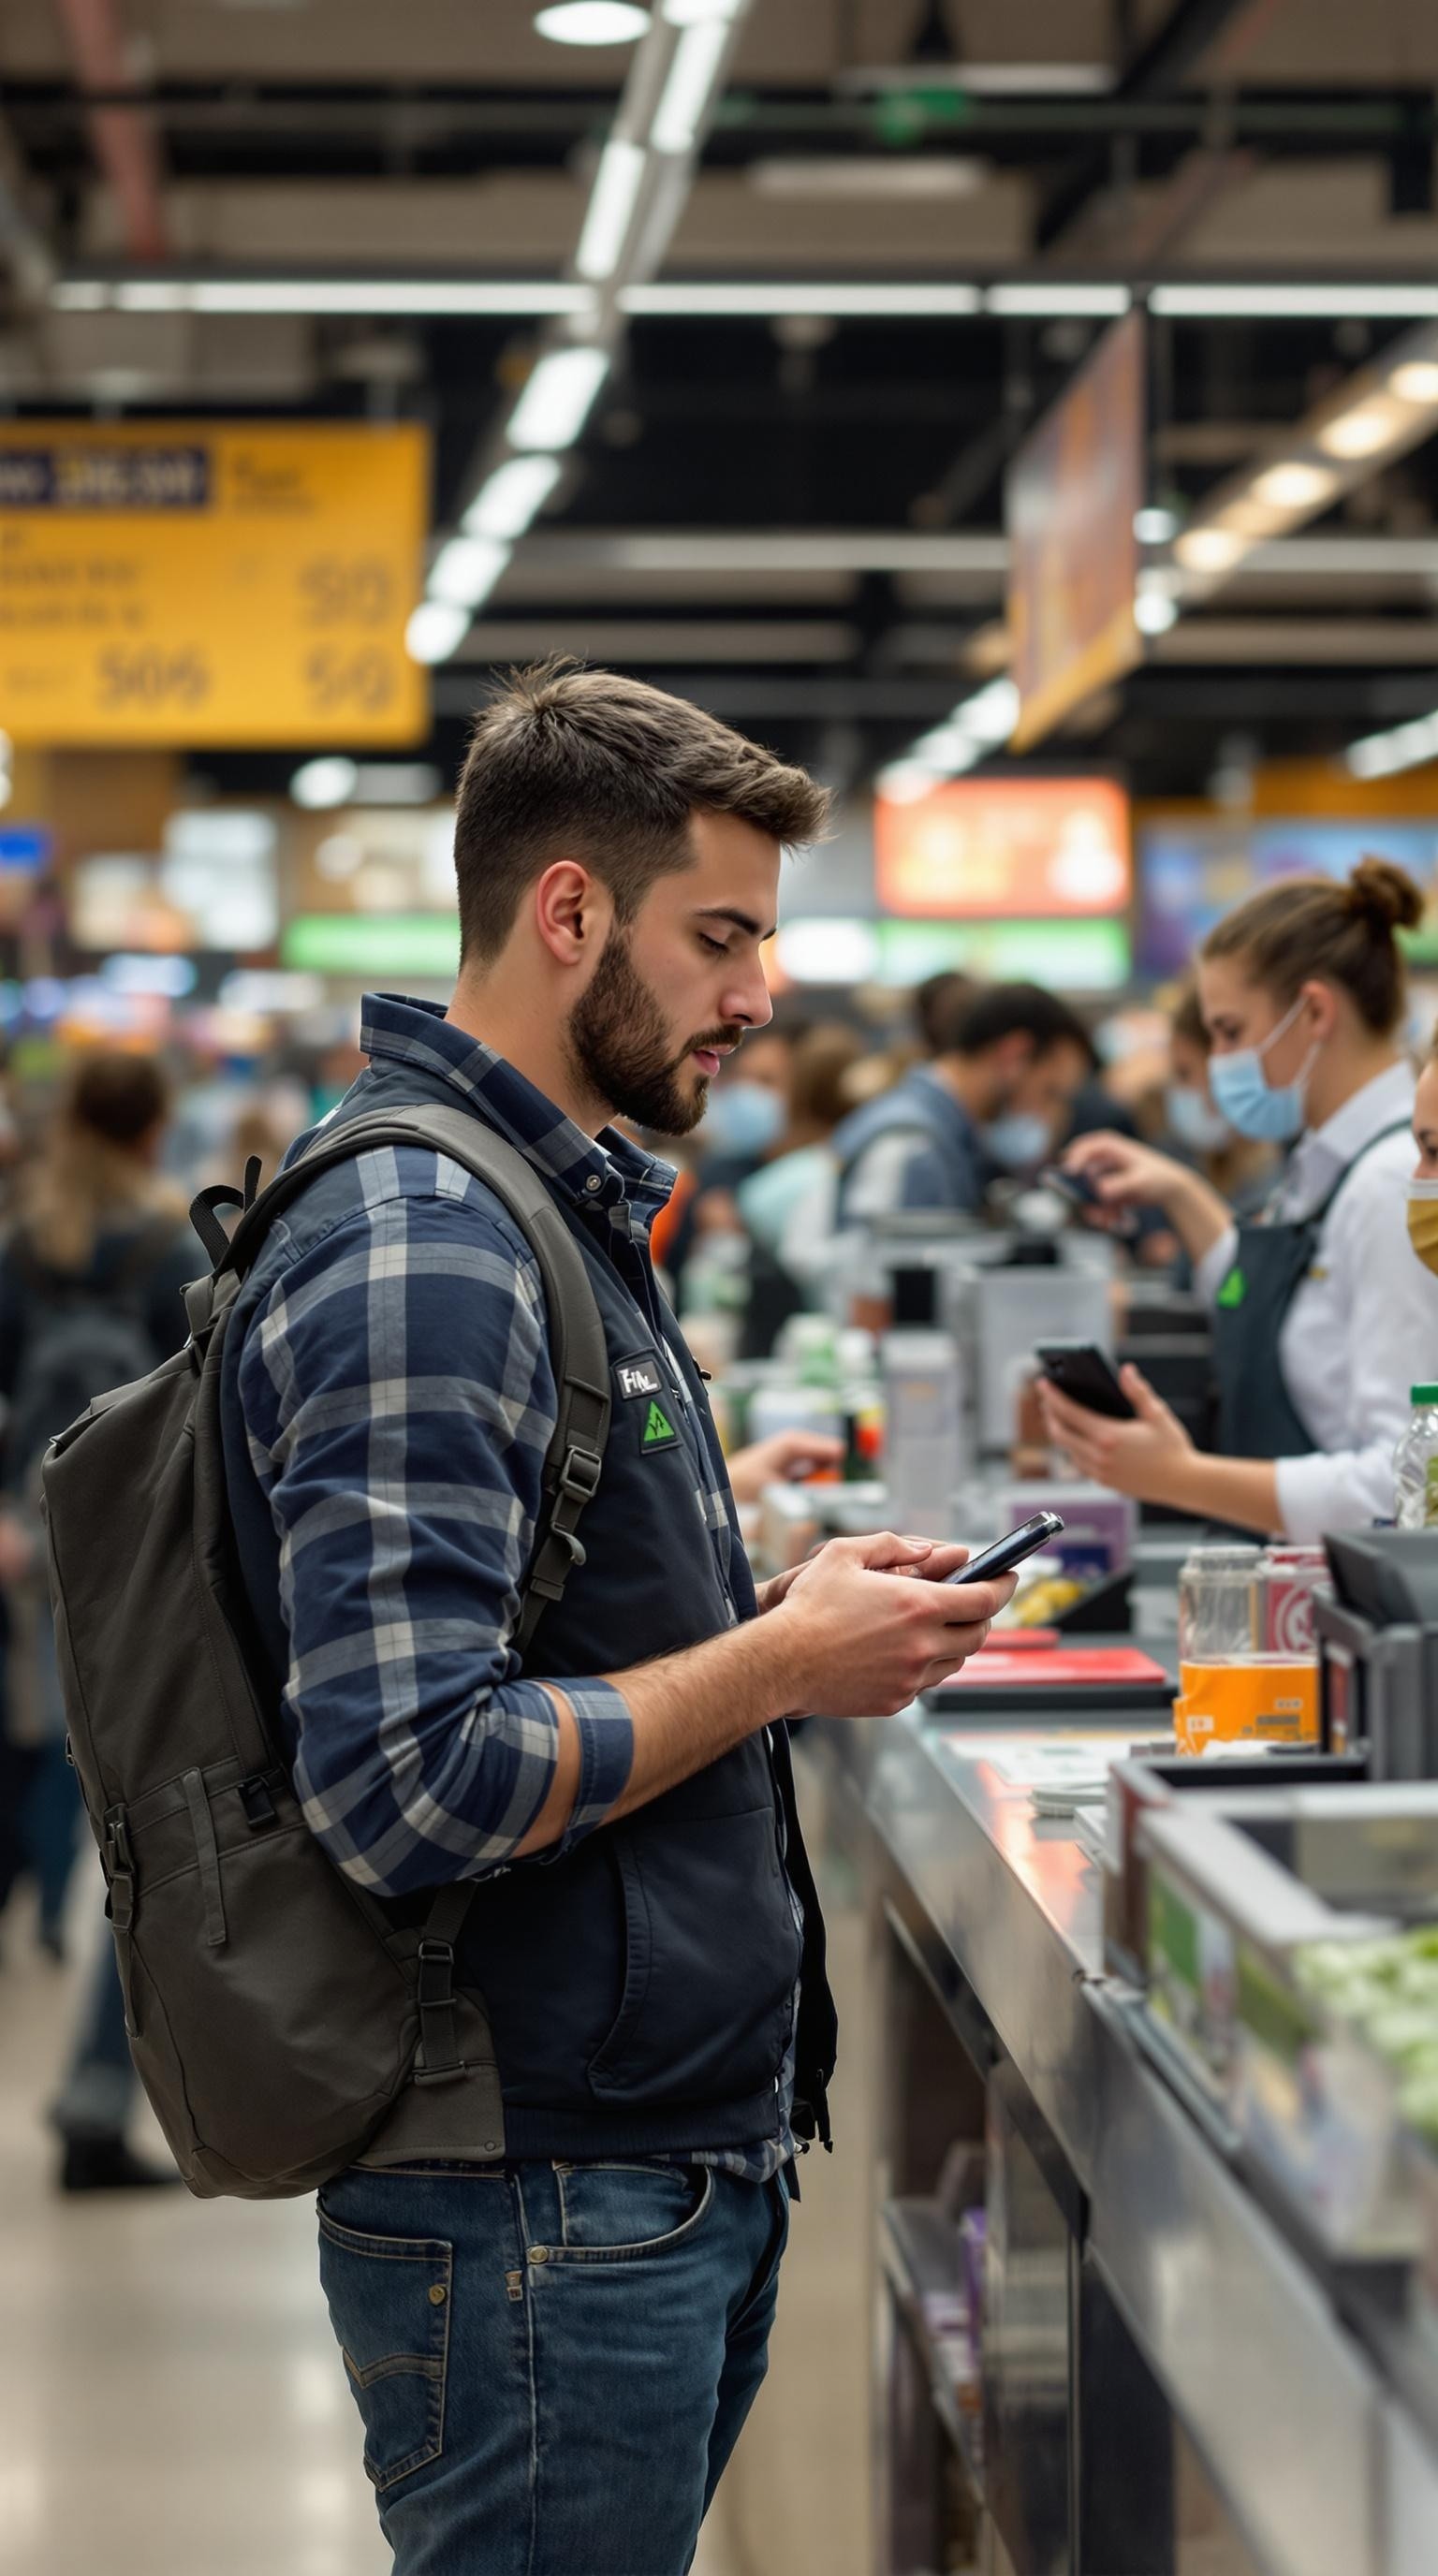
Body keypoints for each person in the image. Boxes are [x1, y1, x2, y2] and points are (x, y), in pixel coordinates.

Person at [219, 661, 1012, 2576]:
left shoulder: (544, 1207)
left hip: (622, 2161)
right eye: (720, 934)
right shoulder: (430, 1234)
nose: (762, 991)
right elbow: (408, 1774)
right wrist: (775, 1659)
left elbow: (538, 1624)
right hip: (536, 2188)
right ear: (568, 909)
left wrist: (769, 1606)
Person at [1039, 859, 1438, 1539]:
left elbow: (1407, 1483)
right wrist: (1178, 1190)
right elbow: (1287, 1308)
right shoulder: (1330, 1168)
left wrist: (1180, 1476)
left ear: (1314, 1012)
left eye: (1229, 1031)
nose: (1221, 1061)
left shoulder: (1391, 1181)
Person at [0, 1049, 198, 2188]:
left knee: (66, 1779)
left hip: (34, 1546)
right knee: (138, 1823)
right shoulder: (166, 1245)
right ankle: (93, 2094)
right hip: (133, 1566)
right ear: (153, 1125)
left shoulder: (28, 1244)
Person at [829, 979, 1095, 1228]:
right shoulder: (911, 1142)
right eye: (1049, 1092)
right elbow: (867, 1267)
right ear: (1014, 1055)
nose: (1048, 1116)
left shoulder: (949, 1140)